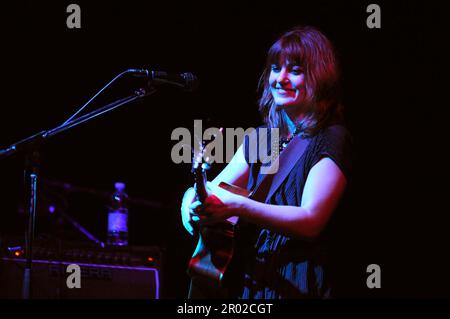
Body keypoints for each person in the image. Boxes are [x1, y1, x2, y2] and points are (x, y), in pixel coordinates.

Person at [181, 26, 352, 299]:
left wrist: (239, 206)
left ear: (319, 78)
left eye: (294, 70)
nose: (280, 78)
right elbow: (215, 189)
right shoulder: (262, 138)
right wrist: (189, 200)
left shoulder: (331, 137)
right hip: (252, 283)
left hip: (298, 282)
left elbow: (310, 220)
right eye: (275, 68)